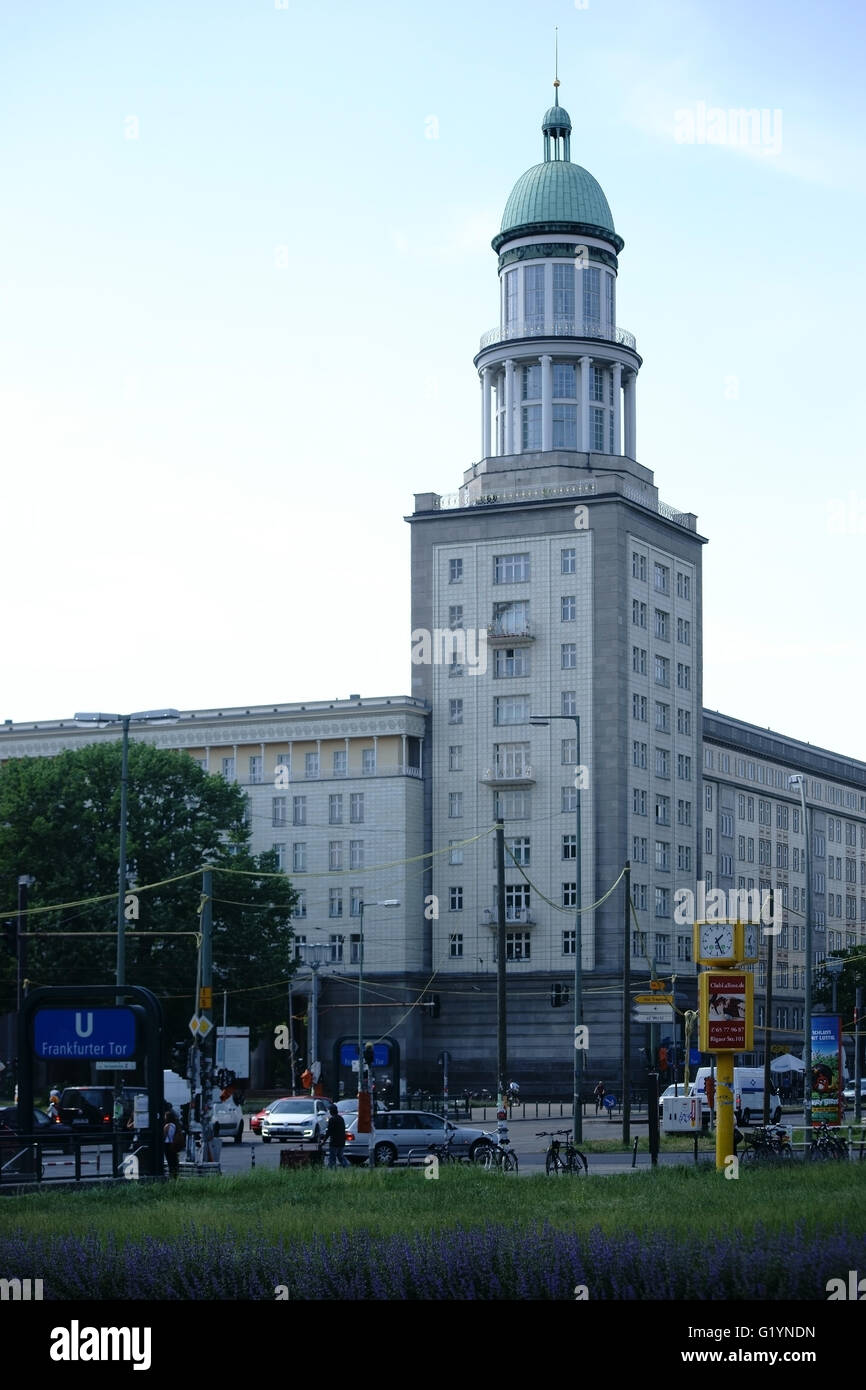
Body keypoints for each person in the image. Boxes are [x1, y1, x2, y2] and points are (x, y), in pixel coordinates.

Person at [325, 1103, 349, 1168]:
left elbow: (329, 1132)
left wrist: (324, 1141)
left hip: (334, 1142)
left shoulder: (332, 1119)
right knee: (340, 1156)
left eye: (330, 1110)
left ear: (331, 1111)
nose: (329, 1111)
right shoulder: (341, 1118)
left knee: (332, 1157)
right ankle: (347, 1167)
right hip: (341, 1141)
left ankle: (331, 1169)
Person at [163, 1108, 181, 1179]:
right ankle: (175, 1174)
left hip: (167, 1144)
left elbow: (164, 1136)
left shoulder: (167, 1126)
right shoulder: (175, 1125)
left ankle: (171, 1175)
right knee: (174, 1160)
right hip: (174, 1144)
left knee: (169, 1161)